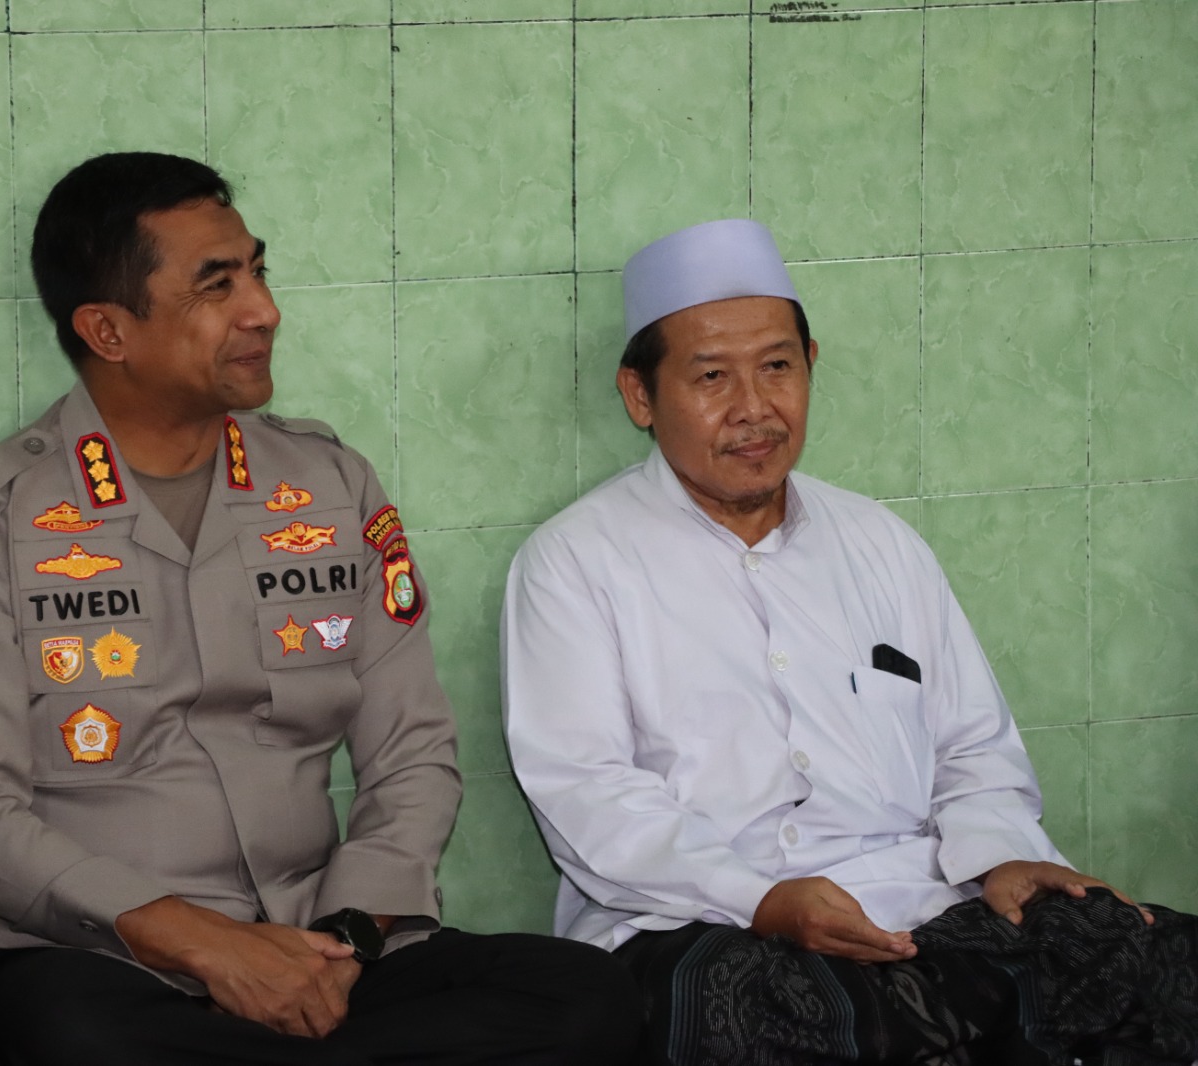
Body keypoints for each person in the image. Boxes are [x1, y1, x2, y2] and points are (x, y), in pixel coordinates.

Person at [0, 151, 640, 1066]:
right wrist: (204, 944)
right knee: (63, 1037)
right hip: (108, 961)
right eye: (217, 286)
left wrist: (341, 943)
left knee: (586, 996)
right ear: (108, 330)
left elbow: (412, 752)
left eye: (257, 271)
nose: (264, 310)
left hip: (326, 940)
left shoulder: (329, 484)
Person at [500, 220, 1198, 1066]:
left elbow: (972, 749)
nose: (754, 408)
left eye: (777, 367)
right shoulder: (575, 562)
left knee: (1146, 951)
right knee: (763, 1016)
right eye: (712, 376)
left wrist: (1003, 857)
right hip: (702, 921)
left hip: (924, 902)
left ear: (810, 365)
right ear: (639, 396)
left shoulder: (880, 544)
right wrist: (763, 899)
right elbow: (589, 796)